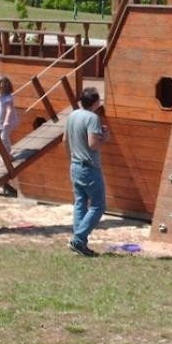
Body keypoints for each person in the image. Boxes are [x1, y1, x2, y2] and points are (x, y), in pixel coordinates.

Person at [63, 87, 109, 257]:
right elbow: (93, 144)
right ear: (96, 102)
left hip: (75, 164)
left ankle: (79, 243)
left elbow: (64, 140)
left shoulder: (72, 115)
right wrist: (104, 137)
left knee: (80, 202)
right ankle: (79, 238)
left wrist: (71, 159)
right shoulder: (93, 118)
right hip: (89, 167)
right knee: (98, 205)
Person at [0, 75, 19, 156]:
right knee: (2, 138)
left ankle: (7, 155)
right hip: (0, 121)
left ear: (1, 86)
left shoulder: (8, 98)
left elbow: (9, 110)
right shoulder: (0, 96)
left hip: (7, 122)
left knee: (3, 138)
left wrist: (6, 121)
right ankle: (7, 152)